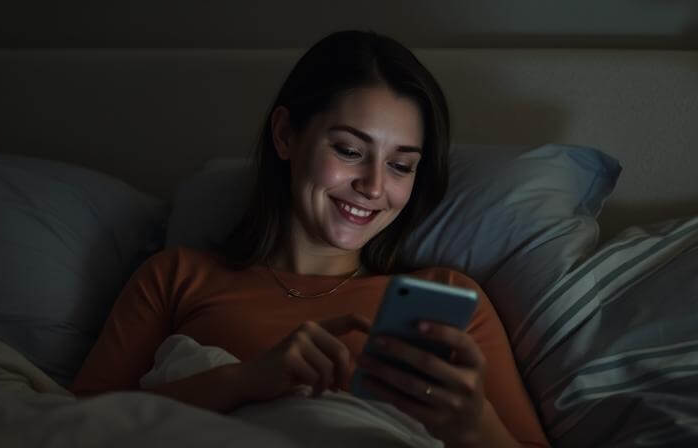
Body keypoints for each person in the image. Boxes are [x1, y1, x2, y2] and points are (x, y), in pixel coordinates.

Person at [73, 30, 549, 447]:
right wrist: (243, 381)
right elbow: (72, 423)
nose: (374, 187)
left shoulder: (446, 298)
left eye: (401, 165)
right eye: (349, 150)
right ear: (285, 135)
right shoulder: (177, 277)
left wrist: (475, 427)